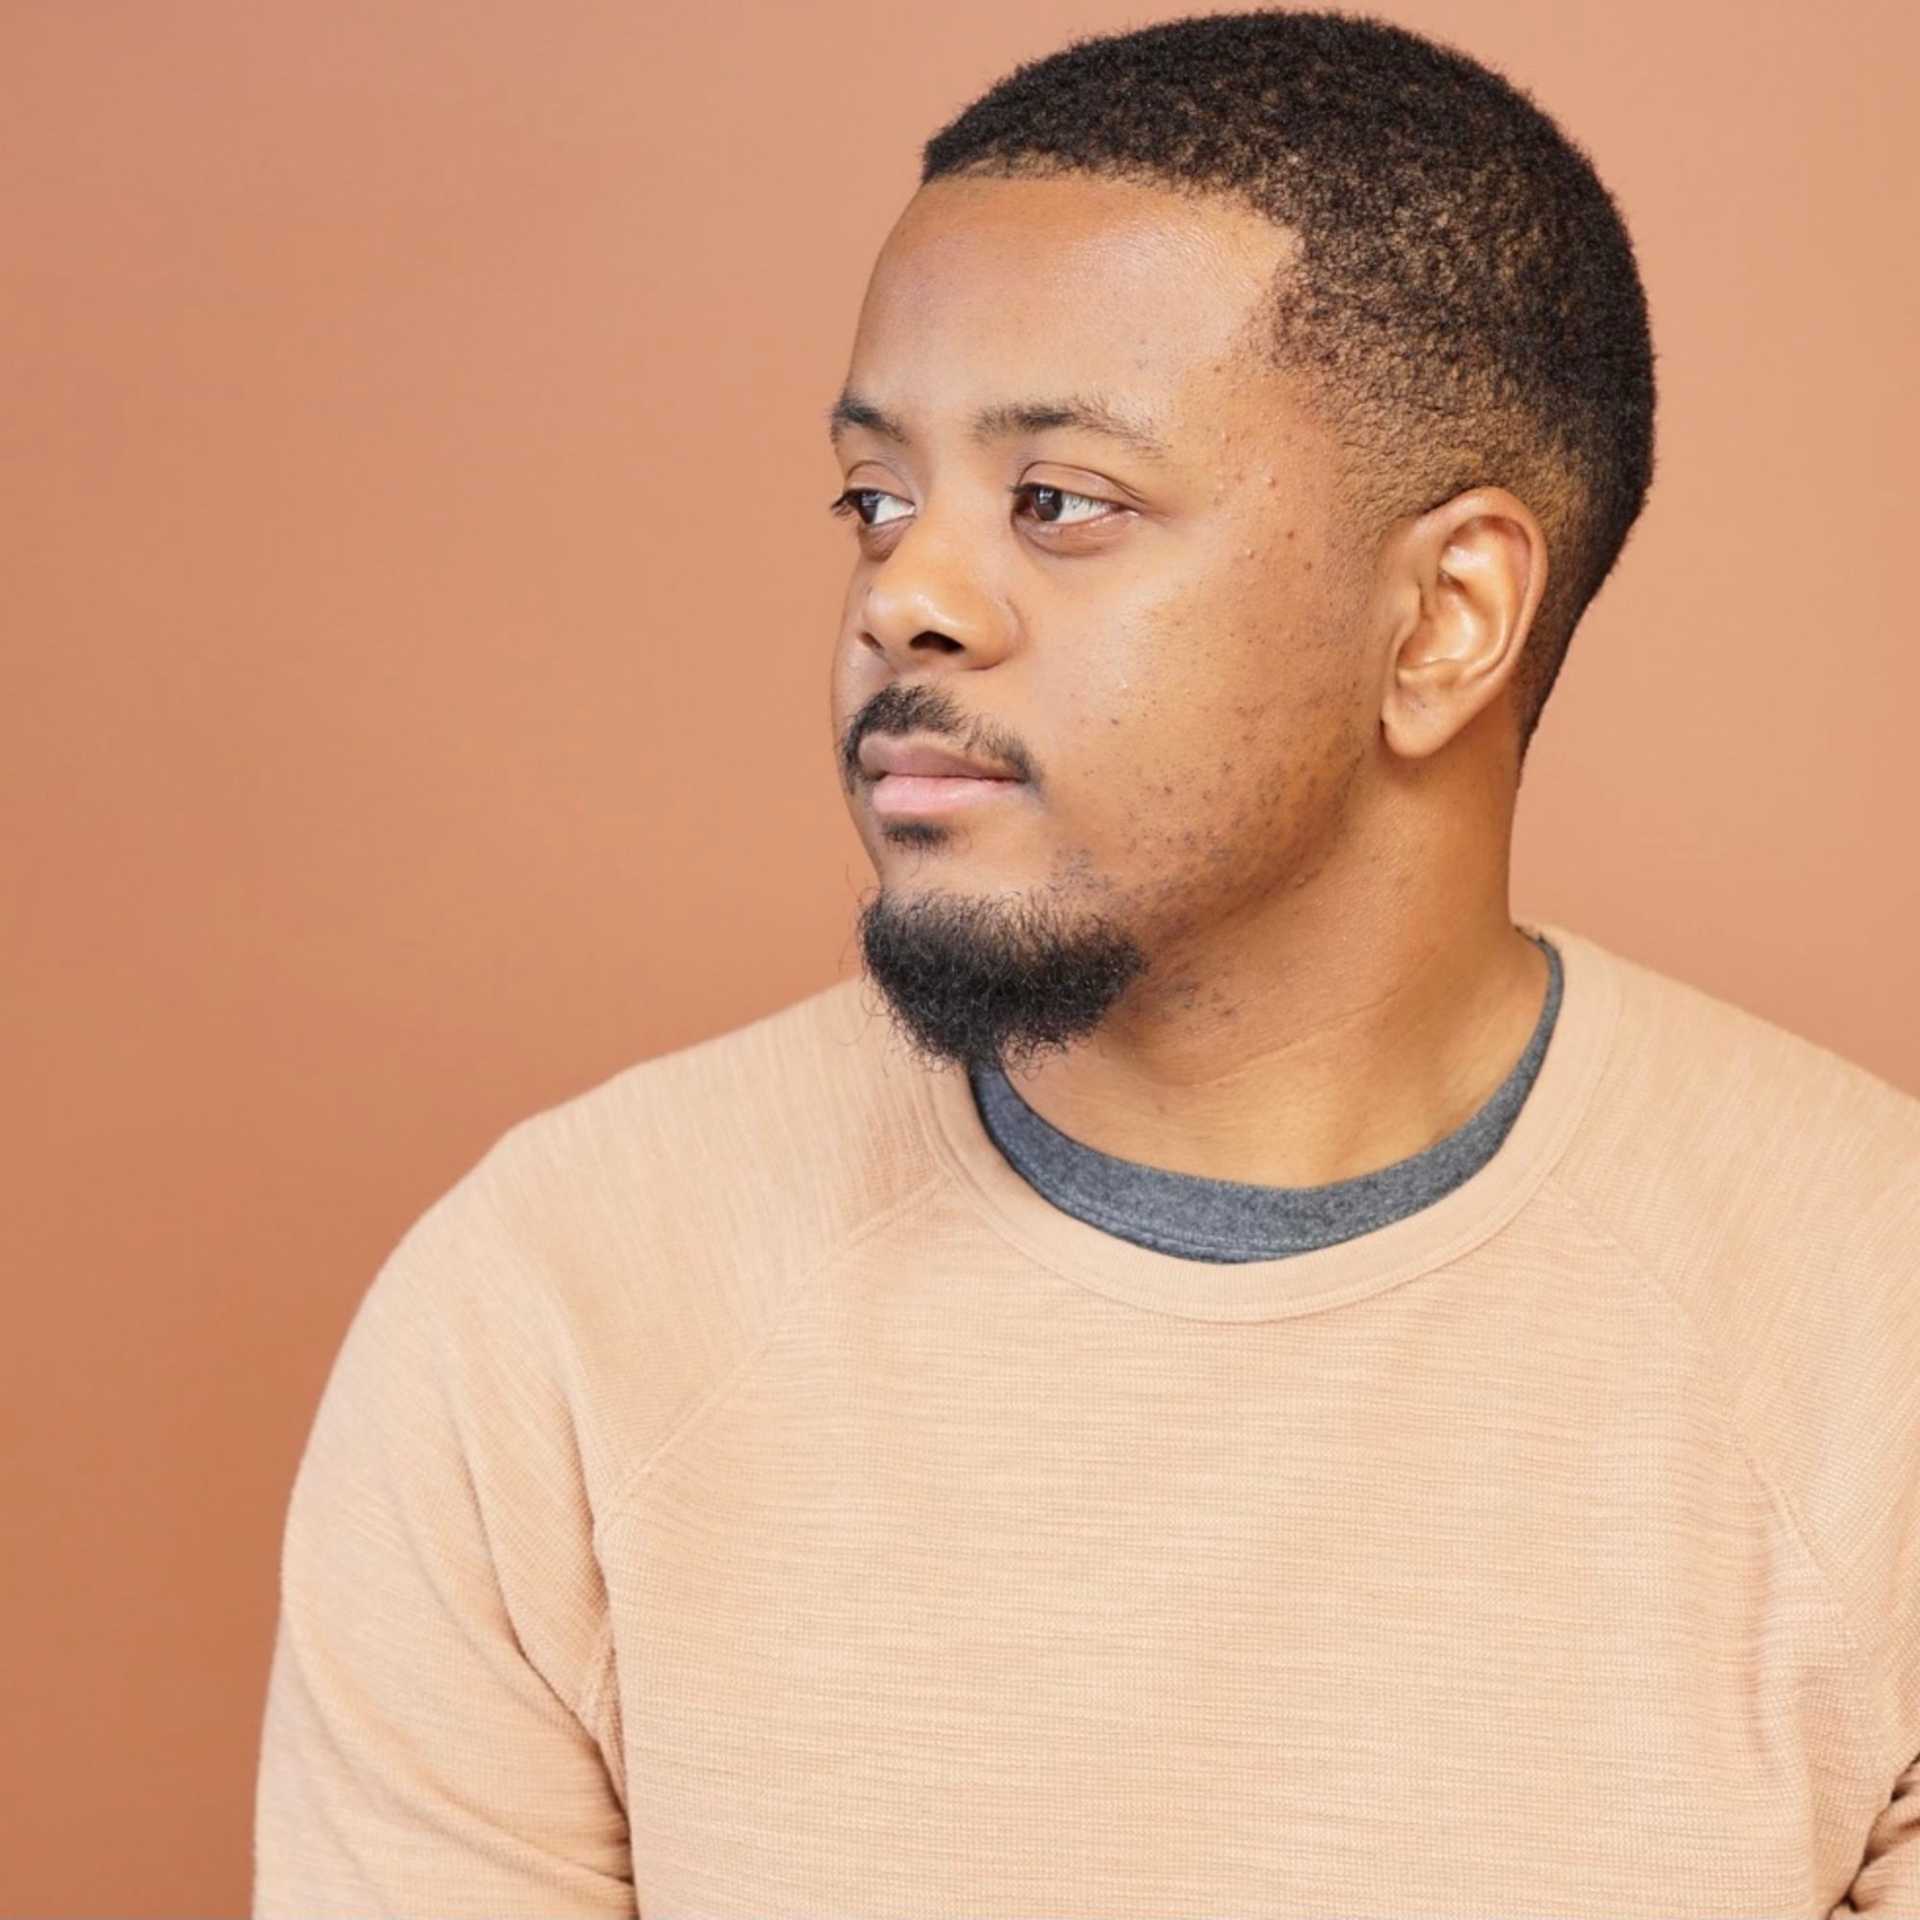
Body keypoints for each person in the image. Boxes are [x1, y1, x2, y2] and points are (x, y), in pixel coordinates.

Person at [253, 10, 1920, 1916]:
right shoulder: (550, 1310)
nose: (907, 598)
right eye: (878, 500)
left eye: (1057, 501)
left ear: (1447, 618)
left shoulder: (1876, 1330)